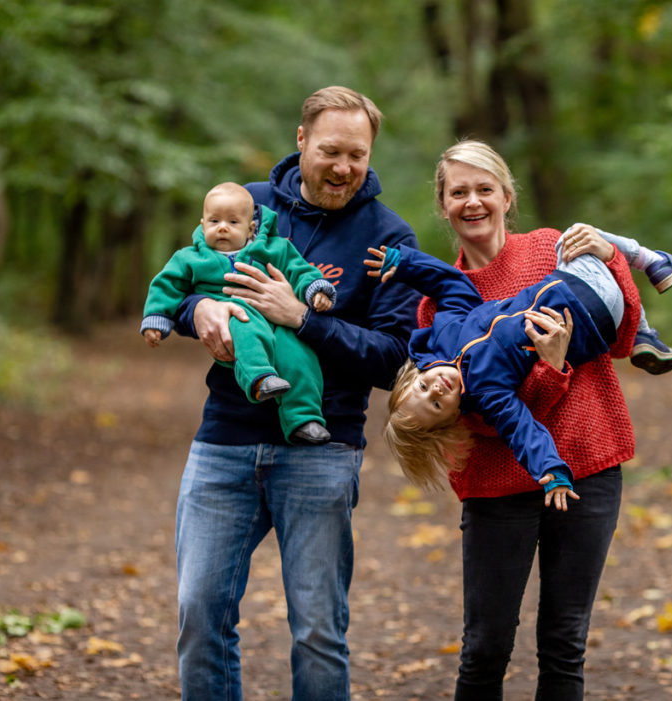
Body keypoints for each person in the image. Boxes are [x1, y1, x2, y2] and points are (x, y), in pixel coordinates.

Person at [167, 87, 420, 701]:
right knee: (199, 613)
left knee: (316, 630)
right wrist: (199, 310)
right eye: (331, 150)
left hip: (322, 449)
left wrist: (304, 320)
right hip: (224, 438)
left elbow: (393, 358)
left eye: (357, 155)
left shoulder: (389, 236)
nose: (343, 167)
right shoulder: (240, 206)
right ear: (301, 140)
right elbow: (177, 283)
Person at [420, 139, 645, 700]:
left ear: (507, 196)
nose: (473, 202)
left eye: (484, 189)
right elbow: (475, 418)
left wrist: (612, 258)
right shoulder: (437, 303)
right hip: (495, 485)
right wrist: (552, 369)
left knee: (564, 646)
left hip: (588, 468)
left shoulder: (551, 249)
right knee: (485, 648)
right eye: (458, 192)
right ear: (443, 205)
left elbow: (621, 338)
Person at [367, 237, 633, 511]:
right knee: (582, 244)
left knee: (576, 238)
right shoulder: (488, 395)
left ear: (417, 374)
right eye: (435, 405)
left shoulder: (444, 334)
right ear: (453, 417)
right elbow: (522, 429)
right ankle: (645, 266)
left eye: (423, 388)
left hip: (569, 284)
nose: (435, 390)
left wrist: (406, 265)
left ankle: (646, 307)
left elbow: (452, 286)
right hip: (592, 318)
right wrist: (550, 468)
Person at [140, 182, 332, 444]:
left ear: (250, 228)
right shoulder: (190, 258)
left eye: (232, 222)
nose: (222, 227)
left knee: (299, 353)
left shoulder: (274, 249)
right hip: (231, 317)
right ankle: (259, 378)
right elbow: (167, 285)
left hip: (277, 321)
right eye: (214, 220)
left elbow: (299, 269)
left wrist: (315, 289)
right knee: (245, 324)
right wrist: (157, 319)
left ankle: (304, 418)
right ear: (203, 223)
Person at [562, 222, 672, 375]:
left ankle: (640, 332)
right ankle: (652, 262)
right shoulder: (542, 241)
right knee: (576, 233)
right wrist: (611, 254)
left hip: (574, 329)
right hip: (582, 309)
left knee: (579, 241)